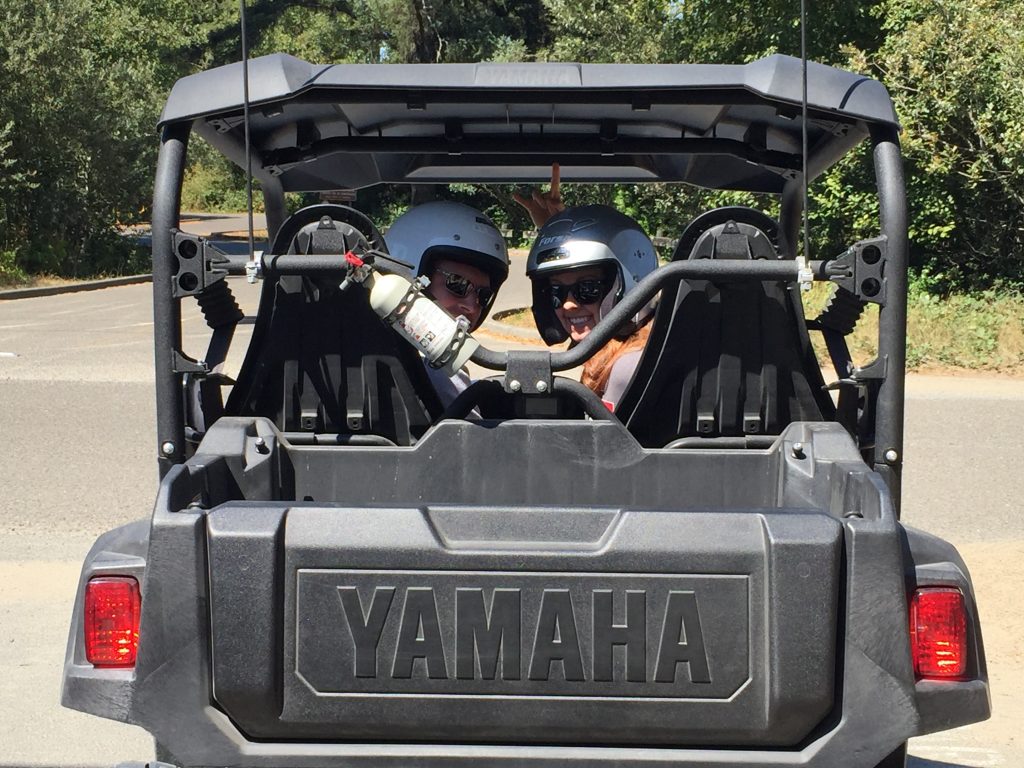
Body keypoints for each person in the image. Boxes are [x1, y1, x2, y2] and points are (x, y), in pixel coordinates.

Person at [525, 203, 658, 410]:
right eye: (555, 291)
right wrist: (556, 233)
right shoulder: (638, 346)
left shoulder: (628, 367)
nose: (568, 305)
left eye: (587, 289)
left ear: (630, 283)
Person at [384, 200, 509, 407]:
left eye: (483, 295)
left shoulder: (362, 349)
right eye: (457, 284)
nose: (472, 306)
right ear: (411, 279)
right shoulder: (434, 369)